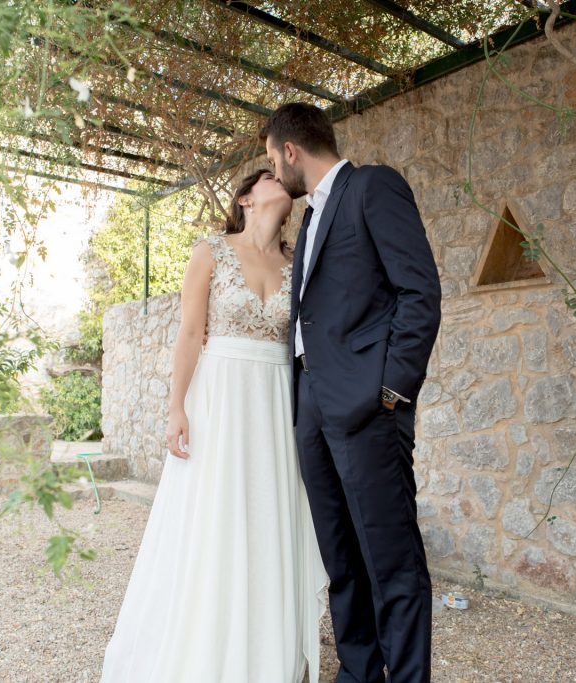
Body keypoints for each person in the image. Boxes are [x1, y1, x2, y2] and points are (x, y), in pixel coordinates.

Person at [100, 169, 327, 683]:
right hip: (220, 398)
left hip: (275, 403)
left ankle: (264, 650)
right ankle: (206, 647)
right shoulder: (210, 251)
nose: (278, 180)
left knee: (268, 517)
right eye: (267, 175)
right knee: (214, 517)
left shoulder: (298, 264)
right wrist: (176, 406)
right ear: (245, 198)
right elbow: (188, 332)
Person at [261, 102, 442, 683]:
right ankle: (358, 674)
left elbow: (421, 294)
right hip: (312, 405)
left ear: (291, 150)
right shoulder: (312, 219)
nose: (274, 170)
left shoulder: (372, 187)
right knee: (340, 558)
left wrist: (390, 390)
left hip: (369, 407)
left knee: (392, 562)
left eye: (271, 157)